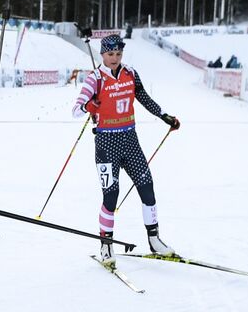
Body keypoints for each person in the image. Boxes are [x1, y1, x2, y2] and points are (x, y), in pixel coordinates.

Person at [72, 34, 181, 261]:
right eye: (110, 54)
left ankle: (154, 239)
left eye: (118, 54)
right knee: (111, 196)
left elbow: (143, 97)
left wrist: (164, 116)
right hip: (106, 145)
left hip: (130, 141)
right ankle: (106, 244)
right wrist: (91, 105)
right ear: (102, 54)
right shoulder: (95, 79)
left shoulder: (130, 73)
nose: (115, 58)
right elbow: (76, 110)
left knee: (147, 187)